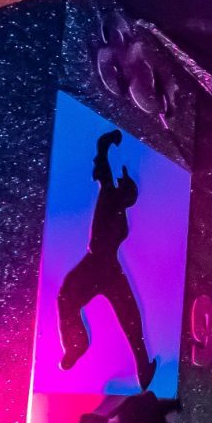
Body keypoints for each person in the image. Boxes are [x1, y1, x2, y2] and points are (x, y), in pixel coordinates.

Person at [57, 130, 154, 389]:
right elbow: (103, 165)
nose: (128, 195)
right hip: (95, 264)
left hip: (109, 267)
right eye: (128, 191)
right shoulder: (109, 192)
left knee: (131, 319)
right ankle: (76, 345)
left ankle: (143, 370)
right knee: (67, 299)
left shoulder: (121, 211)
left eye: (130, 194)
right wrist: (106, 144)